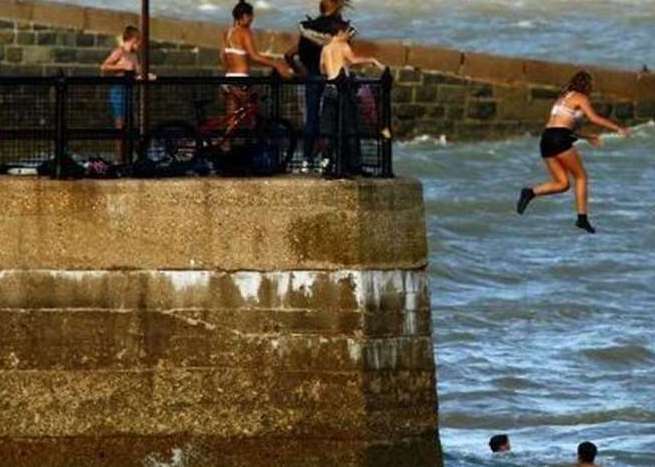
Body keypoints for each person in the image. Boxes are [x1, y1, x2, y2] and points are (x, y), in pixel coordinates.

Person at [516, 70, 630, 234]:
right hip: (559, 139)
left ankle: (530, 192)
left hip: (546, 139)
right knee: (581, 177)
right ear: (587, 85)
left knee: (562, 184)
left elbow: (560, 127)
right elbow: (594, 118)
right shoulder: (580, 97)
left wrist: (587, 136)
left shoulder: (562, 99)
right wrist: (618, 128)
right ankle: (582, 218)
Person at [285, 0, 352, 172]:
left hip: (312, 76)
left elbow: (289, 55)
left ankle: (306, 159)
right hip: (333, 78)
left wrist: (301, 72)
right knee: (330, 120)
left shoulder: (309, 29)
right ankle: (327, 159)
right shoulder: (339, 30)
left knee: (311, 119)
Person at [319, 21, 384, 176]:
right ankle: (353, 165)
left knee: (330, 128)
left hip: (329, 88)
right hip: (342, 89)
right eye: (347, 31)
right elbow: (353, 60)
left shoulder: (325, 48)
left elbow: (321, 67)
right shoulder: (343, 46)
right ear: (340, 32)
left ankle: (327, 164)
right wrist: (372, 60)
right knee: (349, 127)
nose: (349, 34)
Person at [222, 0, 291, 112]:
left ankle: (227, 130)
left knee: (232, 116)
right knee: (253, 113)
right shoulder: (245, 32)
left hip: (228, 78)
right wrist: (276, 64)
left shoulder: (228, 33)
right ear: (245, 16)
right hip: (241, 79)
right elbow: (254, 56)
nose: (252, 19)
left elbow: (222, 56)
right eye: (251, 16)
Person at [101, 25, 143, 163]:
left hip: (129, 92)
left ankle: (132, 157)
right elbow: (104, 67)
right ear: (132, 40)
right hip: (118, 91)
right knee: (121, 125)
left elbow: (137, 73)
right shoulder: (119, 52)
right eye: (139, 42)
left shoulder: (134, 56)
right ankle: (120, 159)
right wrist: (122, 67)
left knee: (134, 124)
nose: (140, 45)